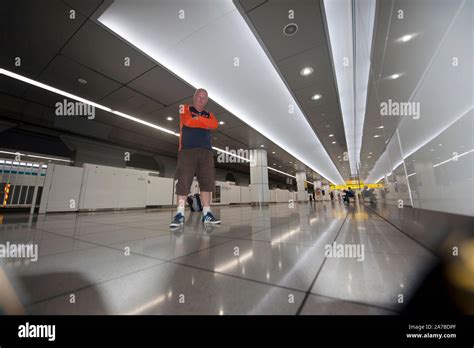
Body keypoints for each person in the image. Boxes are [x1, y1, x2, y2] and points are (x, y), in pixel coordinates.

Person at [170, 88, 221, 228]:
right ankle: (180, 214)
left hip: (206, 152)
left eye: (204, 98)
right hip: (187, 151)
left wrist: (197, 119)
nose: (201, 100)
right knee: (184, 182)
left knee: (207, 183)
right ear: (194, 97)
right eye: (199, 97)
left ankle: (207, 214)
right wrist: (203, 121)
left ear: (207, 100)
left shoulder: (210, 114)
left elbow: (214, 124)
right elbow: (187, 121)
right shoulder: (183, 108)